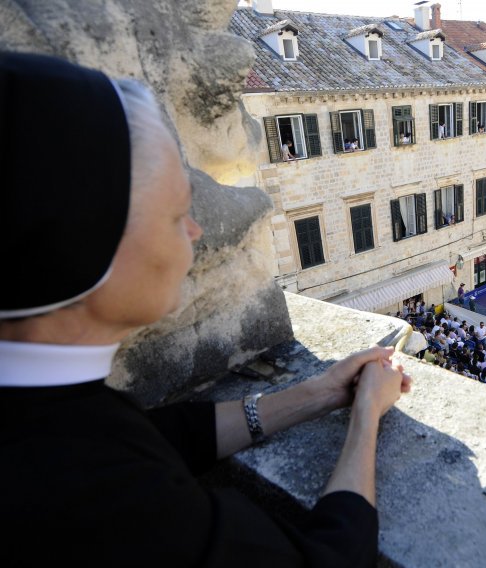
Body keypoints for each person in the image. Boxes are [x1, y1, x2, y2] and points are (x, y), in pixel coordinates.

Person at [0, 53, 411, 566]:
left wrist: (321, 392)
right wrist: (366, 416)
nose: (195, 232)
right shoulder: (89, 494)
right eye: (176, 214)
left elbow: (163, 436)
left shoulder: (41, 408)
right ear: (81, 247)